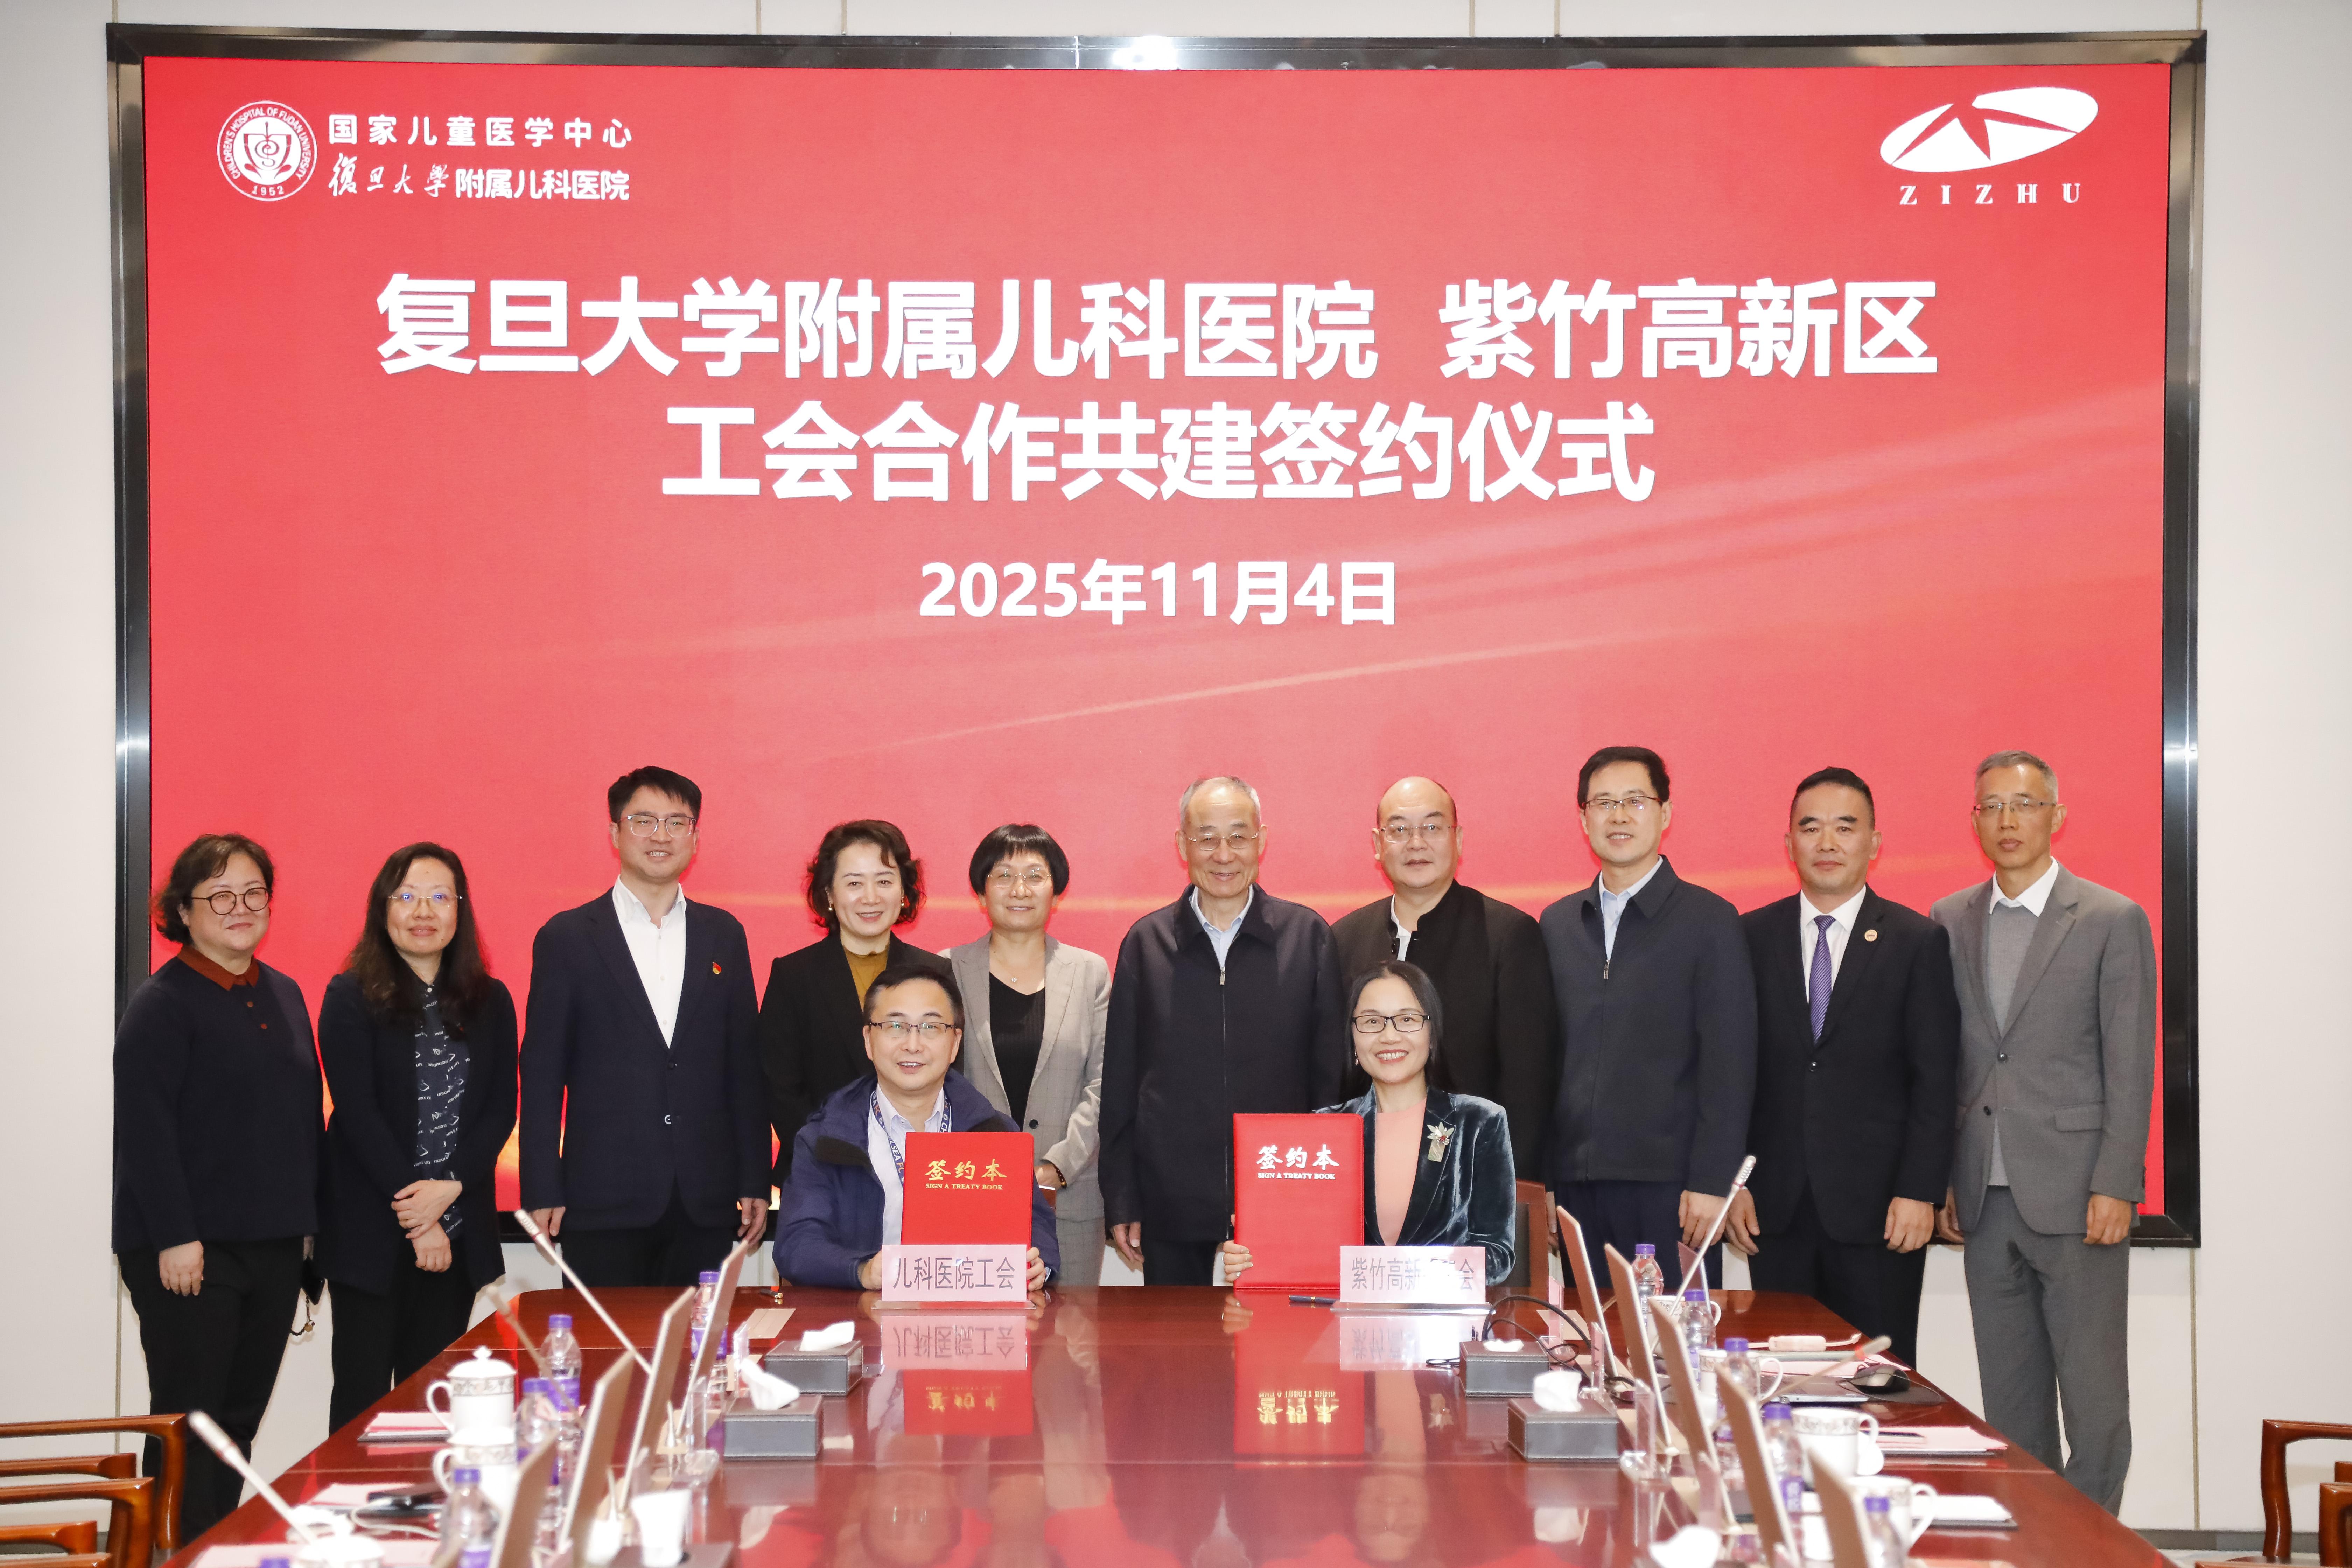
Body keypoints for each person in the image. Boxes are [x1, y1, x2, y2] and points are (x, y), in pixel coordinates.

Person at [1931, 750, 2154, 1513]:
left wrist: (2117, 1182)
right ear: (1974, 821)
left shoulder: (2111, 918)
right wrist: (1943, 1179)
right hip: (1982, 1197)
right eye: (1992, 806)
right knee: (2011, 1401)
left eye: (2024, 805)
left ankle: (2092, 1548)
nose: (2008, 820)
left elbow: (2131, 1062)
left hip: (2079, 1193)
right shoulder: (1948, 918)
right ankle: (2033, 1541)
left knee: (2094, 1404)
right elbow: (1946, 1062)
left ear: (2056, 816)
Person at [113, 834, 321, 1540]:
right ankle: (169, 1551)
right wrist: (175, 1236)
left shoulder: (284, 992)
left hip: (273, 1246)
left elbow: (301, 1119)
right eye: (221, 894)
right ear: (183, 910)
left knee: (236, 1425)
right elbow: (145, 1132)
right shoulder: (161, 1003)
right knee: (189, 1421)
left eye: (254, 892)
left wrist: (308, 1230)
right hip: (191, 1253)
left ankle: (214, 1546)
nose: (241, 907)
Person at [1724, 769, 1958, 1366]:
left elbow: (1935, 1080)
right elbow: (1731, 1072)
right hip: (1775, 1209)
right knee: (1782, 1376)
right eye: (1811, 828)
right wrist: (1734, 1182)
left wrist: (1920, 1191)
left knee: (1877, 1383)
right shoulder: (1749, 936)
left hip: (1881, 1214)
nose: (1827, 842)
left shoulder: (1917, 941)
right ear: (1789, 844)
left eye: (1845, 827)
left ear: (1874, 843)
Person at [520, 767, 768, 1286]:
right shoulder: (567, 937)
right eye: (644, 821)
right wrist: (541, 1185)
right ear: (615, 833)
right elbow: (542, 1072)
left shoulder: (724, 934)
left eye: (677, 822)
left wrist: (754, 1178)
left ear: (695, 838)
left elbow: (743, 1066)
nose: (661, 835)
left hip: (703, 1198)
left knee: (697, 1339)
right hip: (601, 1198)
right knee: (602, 1341)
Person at [1099, 776, 1348, 1284]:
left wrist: (1327, 1188)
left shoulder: (1308, 937)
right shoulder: (1146, 943)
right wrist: (1122, 1195)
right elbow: (1121, 1081)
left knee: (1278, 1331)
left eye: (1238, 836)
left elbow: (1331, 1082)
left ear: (1262, 840)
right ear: (1182, 845)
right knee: (1174, 1336)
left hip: (1284, 1183)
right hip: (1170, 1193)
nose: (1223, 854)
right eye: (1206, 837)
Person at [318, 843, 518, 1433]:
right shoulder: (350, 996)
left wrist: (450, 1189)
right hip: (371, 1232)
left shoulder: (491, 1000)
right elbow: (359, 1115)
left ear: (460, 910)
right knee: (362, 1402)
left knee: (434, 1404)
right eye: (406, 896)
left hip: (458, 1231)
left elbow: (500, 1111)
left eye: (439, 897)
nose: (423, 911)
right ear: (383, 908)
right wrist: (419, 1217)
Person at [1541, 746, 1756, 1287]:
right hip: (1575, 1188)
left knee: (1670, 1336)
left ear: (1665, 813)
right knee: (1590, 1332)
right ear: (1583, 817)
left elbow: (1730, 1065)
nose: (1619, 816)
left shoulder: (1710, 921)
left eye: (1635, 801)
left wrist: (1713, 1181)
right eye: (1604, 803)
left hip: (1673, 1192)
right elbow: (1544, 1063)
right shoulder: (1557, 924)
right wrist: (1543, 1181)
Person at [1219, 961, 1516, 1285]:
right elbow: (1303, 1248)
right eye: (1372, 1022)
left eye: (1407, 1020)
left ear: (1432, 1035)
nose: (1389, 1036)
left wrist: (1399, 1278)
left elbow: (1496, 1255)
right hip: (1344, 1315)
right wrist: (1254, 1255)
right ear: (1354, 1041)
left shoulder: (1480, 1123)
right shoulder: (1324, 1129)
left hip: (1441, 1314)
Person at [774, 964, 1057, 1290]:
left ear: (955, 1043)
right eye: (895, 1026)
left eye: (931, 1027)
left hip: (968, 1315)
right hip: (862, 1313)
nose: (913, 1044)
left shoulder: (995, 1133)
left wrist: (1039, 1266)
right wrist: (862, 1271)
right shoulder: (825, 1138)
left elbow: (1036, 1227)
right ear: (869, 1040)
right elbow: (797, 1244)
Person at [1331, 777, 1556, 1174]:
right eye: (1399, 829)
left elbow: (1529, 1082)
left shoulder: (1507, 935)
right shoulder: (1344, 938)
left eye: (1433, 827)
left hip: (1471, 1173)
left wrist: (1514, 1184)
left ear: (1459, 839)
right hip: (1365, 1171)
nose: (1416, 843)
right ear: (1378, 844)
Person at [945, 825, 1113, 1286]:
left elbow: (1105, 1084)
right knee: (973, 1327)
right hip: (969, 1191)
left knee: (1072, 1331)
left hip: (1070, 1200)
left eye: (1035, 876)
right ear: (981, 891)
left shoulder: (1090, 973)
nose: (1019, 889)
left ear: (1056, 891)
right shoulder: (947, 969)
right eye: (1004, 875)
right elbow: (932, 1083)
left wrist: (1056, 1168)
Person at [761, 820, 951, 1180]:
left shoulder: (936, 973)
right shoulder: (794, 976)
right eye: (854, 883)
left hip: (919, 1172)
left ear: (903, 891)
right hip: (821, 1172)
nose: (871, 897)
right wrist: (832, 1156)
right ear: (829, 894)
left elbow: (950, 1075)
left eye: (884, 881)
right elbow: (781, 1090)